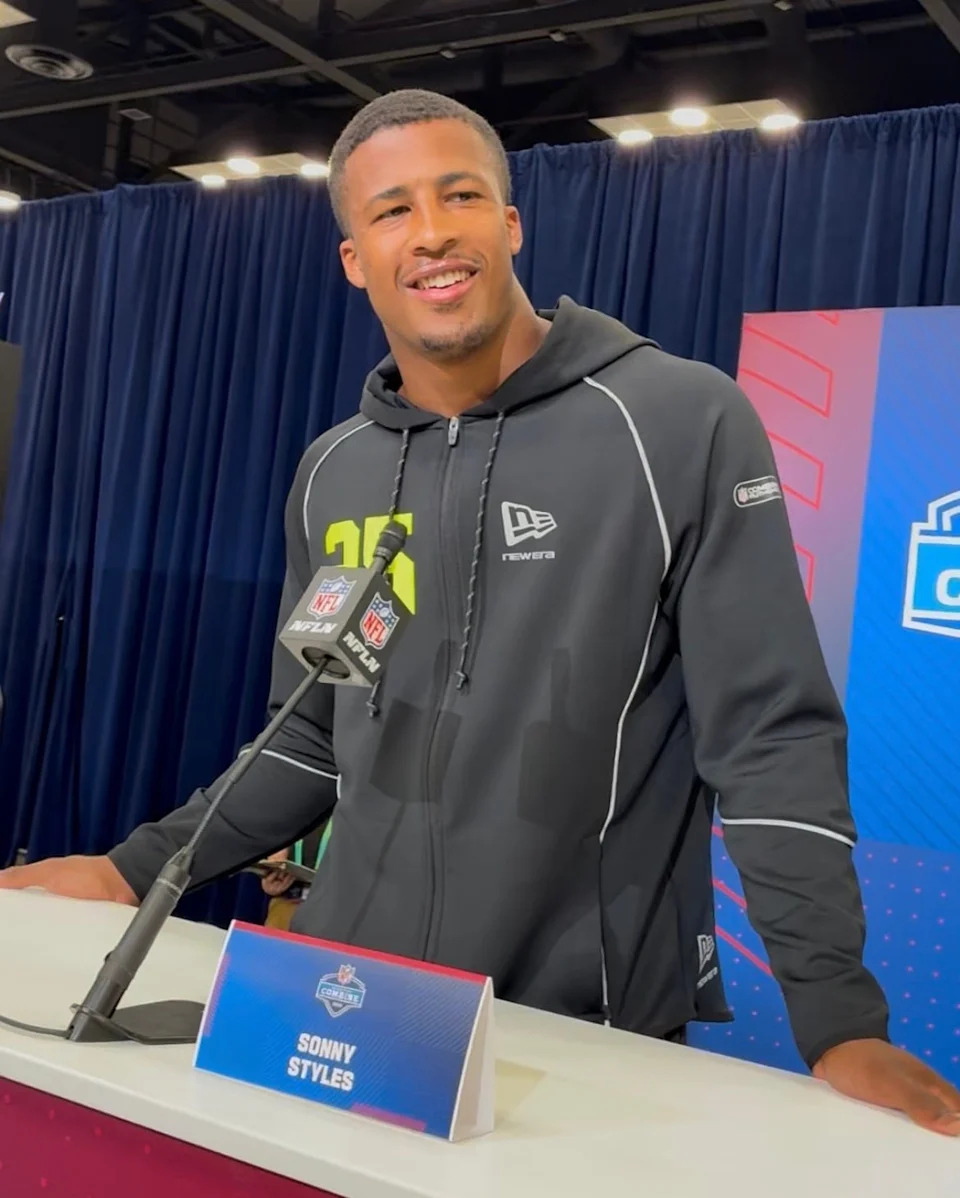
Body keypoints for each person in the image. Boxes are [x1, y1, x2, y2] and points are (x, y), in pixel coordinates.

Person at [2, 88, 957, 1136]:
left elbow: (769, 736)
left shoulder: (677, 419)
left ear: (509, 225)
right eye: (392, 209)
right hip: (336, 1005)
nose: (433, 231)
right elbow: (311, 737)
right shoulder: (334, 467)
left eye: (460, 195)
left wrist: (838, 1017)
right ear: (355, 258)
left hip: (567, 1028)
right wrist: (129, 868)